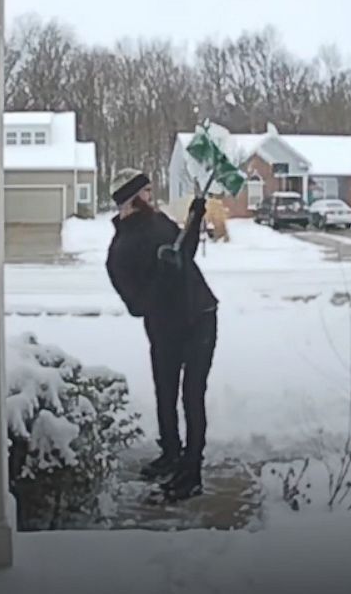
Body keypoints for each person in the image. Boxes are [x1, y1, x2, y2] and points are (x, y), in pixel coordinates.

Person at [104, 168, 217, 502]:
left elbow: (186, 252)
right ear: (129, 200)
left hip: (200, 315)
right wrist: (162, 277)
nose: (153, 199)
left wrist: (195, 218)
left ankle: (191, 471)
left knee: (192, 395)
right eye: (147, 193)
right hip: (165, 327)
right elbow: (138, 305)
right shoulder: (120, 253)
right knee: (165, 393)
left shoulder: (160, 223)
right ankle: (171, 453)